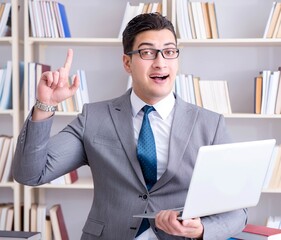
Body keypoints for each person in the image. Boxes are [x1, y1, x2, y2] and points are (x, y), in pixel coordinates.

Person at [13, 13, 247, 240]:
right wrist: (46, 105)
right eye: (147, 52)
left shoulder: (210, 124)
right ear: (127, 62)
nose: (160, 62)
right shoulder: (94, 117)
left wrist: (201, 230)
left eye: (169, 52)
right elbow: (31, 174)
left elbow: (238, 210)